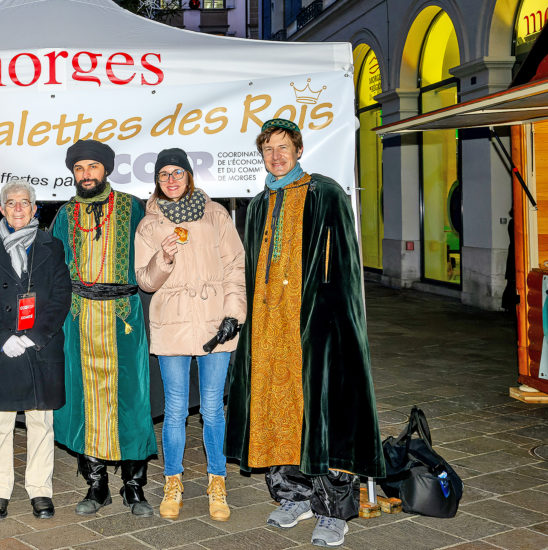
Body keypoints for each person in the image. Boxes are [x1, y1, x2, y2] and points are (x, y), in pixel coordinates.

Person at [224, 119, 385, 547]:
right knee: (277, 407)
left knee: (325, 409)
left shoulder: (325, 192)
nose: (276, 157)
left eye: (283, 148)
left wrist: (335, 323)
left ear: (298, 149)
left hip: (317, 323)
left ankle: (334, 510)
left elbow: (344, 266)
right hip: (269, 324)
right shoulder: (258, 203)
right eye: (268, 150)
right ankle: (294, 494)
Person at [134, 148, 246, 521]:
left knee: (214, 408)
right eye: (164, 174)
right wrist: (162, 258)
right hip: (173, 323)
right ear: (157, 181)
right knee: (176, 409)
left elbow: (234, 266)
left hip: (216, 323)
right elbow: (145, 281)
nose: (170, 180)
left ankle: (218, 482)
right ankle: (173, 481)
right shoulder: (149, 225)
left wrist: (234, 314)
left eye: (176, 172)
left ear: (188, 176)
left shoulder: (216, 215)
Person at [51, 139, 158, 517]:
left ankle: (134, 487)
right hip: (79, 321)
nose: (86, 175)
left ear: (106, 169)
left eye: (92, 167)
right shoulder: (65, 214)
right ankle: (97, 486)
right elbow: (55, 268)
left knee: (131, 399)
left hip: (124, 319)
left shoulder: (132, 208)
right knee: (85, 402)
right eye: (79, 169)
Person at [0, 179, 72, 520]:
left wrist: (35, 335)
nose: (17, 208)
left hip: (39, 347)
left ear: (34, 208)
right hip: (1, 349)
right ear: (1, 208)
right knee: (0, 425)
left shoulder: (51, 246)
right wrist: (2, 337)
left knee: (42, 423)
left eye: (23, 203)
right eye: (10, 203)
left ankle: (40, 490)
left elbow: (61, 297)